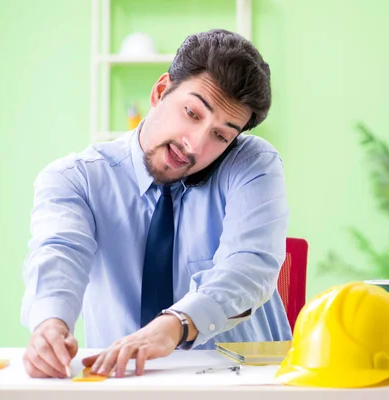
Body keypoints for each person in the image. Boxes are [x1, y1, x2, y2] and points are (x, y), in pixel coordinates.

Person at [20, 29, 291, 379]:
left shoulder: (251, 164)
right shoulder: (76, 179)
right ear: (160, 91)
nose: (194, 144)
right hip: (126, 382)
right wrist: (50, 325)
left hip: (245, 385)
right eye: (192, 113)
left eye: (221, 135)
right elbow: (59, 253)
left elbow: (247, 266)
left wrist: (175, 324)